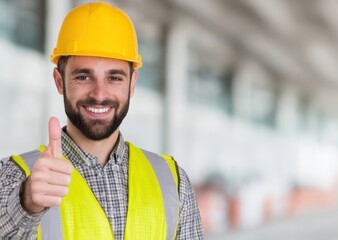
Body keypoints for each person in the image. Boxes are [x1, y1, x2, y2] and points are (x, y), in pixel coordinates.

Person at [0, 1, 204, 239]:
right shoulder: (14, 176)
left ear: (132, 84)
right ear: (59, 81)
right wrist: (25, 204)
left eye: (114, 78)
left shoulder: (172, 181)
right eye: (84, 76)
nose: (99, 94)